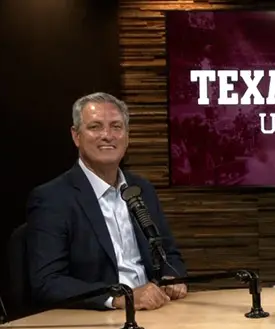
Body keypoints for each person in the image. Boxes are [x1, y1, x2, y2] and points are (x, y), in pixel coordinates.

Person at [26, 92, 188, 311]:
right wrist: (118, 298)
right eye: (95, 127)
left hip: (157, 311)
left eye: (116, 127)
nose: (107, 135)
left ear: (127, 136)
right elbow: (48, 281)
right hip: (98, 321)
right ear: (76, 136)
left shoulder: (142, 189)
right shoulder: (53, 198)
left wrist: (173, 276)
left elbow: (169, 254)